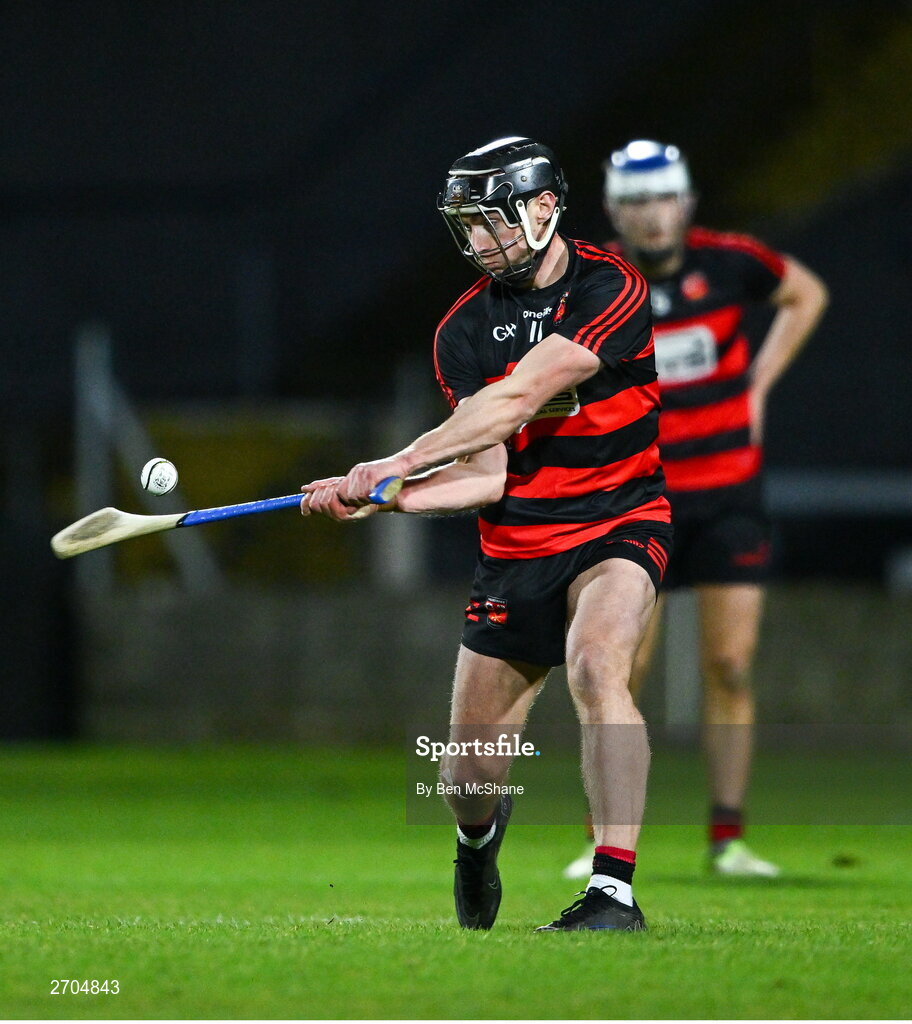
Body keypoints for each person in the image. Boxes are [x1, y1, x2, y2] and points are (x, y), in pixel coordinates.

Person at [301, 136, 673, 932]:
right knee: (466, 777)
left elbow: (519, 397)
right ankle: (477, 844)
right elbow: (490, 473)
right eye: (464, 227)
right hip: (517, 549)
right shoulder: (461, 332)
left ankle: (613, 893)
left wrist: (394, 459)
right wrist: (390, 497)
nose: (476, 243)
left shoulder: (610, 286)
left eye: (490, 222)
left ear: (544, 210)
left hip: (620, 520)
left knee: (597, 663)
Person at [562, 139, 829, 882]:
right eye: (636, 202)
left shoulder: (731, 262)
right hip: (636, 499)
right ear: (617, 211)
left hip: (730, 497)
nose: (653, 215)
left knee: (731, 665)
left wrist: (758, 387)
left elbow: (806, 293)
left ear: (687, 203)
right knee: (620, 667)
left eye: (665, 198)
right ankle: (600, 841)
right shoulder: (597, 281)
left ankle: (727, 838)